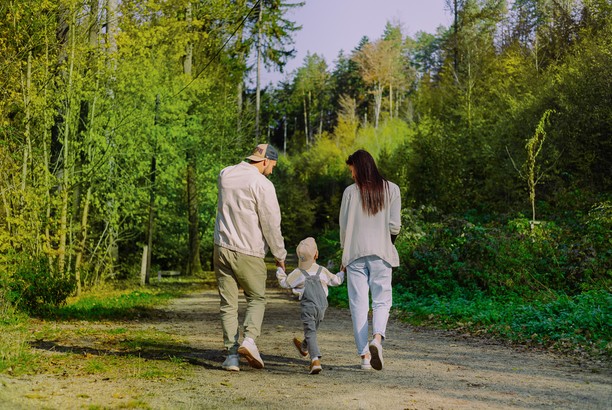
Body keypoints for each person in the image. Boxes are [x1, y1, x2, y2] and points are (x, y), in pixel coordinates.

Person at [213, 143, 287, 372]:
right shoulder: (262, 184)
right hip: (249, 251)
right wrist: (279, 255)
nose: (272, 170)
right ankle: (250, 340)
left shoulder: (225, 174)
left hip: (222, 247)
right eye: (272, 165)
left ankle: (231, 356)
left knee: (228, 303)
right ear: (264, 161)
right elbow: (271, 223)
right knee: (256, 298)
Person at [339, 149, 401, 371]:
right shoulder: (392, 189)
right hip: (382, 254)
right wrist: (387, 242)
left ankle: (365, 357)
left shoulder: (349, 192)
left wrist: (343, 255)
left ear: (359, 167)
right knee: (382, 301)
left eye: (352, 169)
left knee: (358, 305)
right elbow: (395, 226)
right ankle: (377, 339)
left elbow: (344, 228)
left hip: (355, 254)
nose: (351, 175)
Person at [275, 237, 345, 375]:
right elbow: (336, 281)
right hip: (322, 307)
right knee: (311, 331)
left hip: (308, 306)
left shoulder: (298, 272)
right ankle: (304, 348)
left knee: (310, 332)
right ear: (316, 254)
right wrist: (342, 272)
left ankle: (315, 361)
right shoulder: (322, 270)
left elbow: (284, 283)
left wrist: (280, 269)